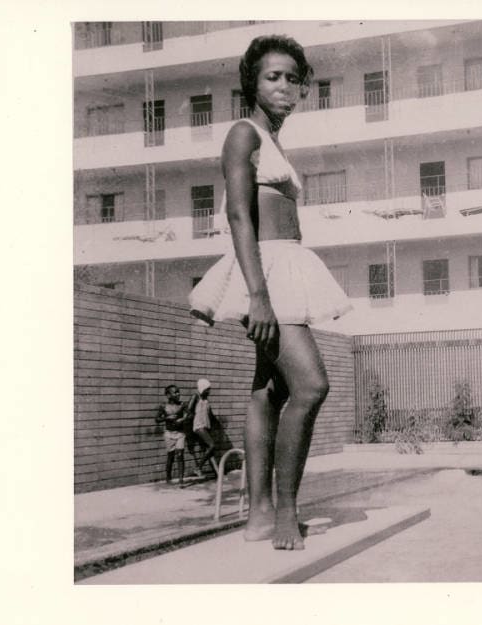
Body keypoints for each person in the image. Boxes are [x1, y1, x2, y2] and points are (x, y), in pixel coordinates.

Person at [188, 35, 352, 550]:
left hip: (284, 265)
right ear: (252, 85)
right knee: (310, 386)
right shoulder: (243, 133)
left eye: (292, 78)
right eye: (271, 77)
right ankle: (284, 512)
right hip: (266, 271)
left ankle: (258, 516)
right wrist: (258, 295)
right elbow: (238, 213)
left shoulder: (271, 139)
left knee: (269, 389)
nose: (284, 86)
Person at [155, 385, 190, 485]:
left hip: (180, 433)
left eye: (178, 392)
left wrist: (182, 419)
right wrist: (167, 418)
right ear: (168, 395)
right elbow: (157, 419)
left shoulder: (182, 405)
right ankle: (168, 478)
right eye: (175, 392)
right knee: (171, 456)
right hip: (169, 434)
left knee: (180, 455)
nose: (178, 394)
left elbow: (190, 415)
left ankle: (181, 480)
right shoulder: (163, 406)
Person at [188, 378, 219, 477]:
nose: (209, 391)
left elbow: (210, 414)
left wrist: (216, 423)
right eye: (207, 389)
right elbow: (189, 410)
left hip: (205, 426)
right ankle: (198, 468)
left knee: (210, 451)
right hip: (199, 426)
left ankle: (218, 474)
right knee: (212, 445)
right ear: (202, 388)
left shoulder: (206, 400)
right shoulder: (196, 396)